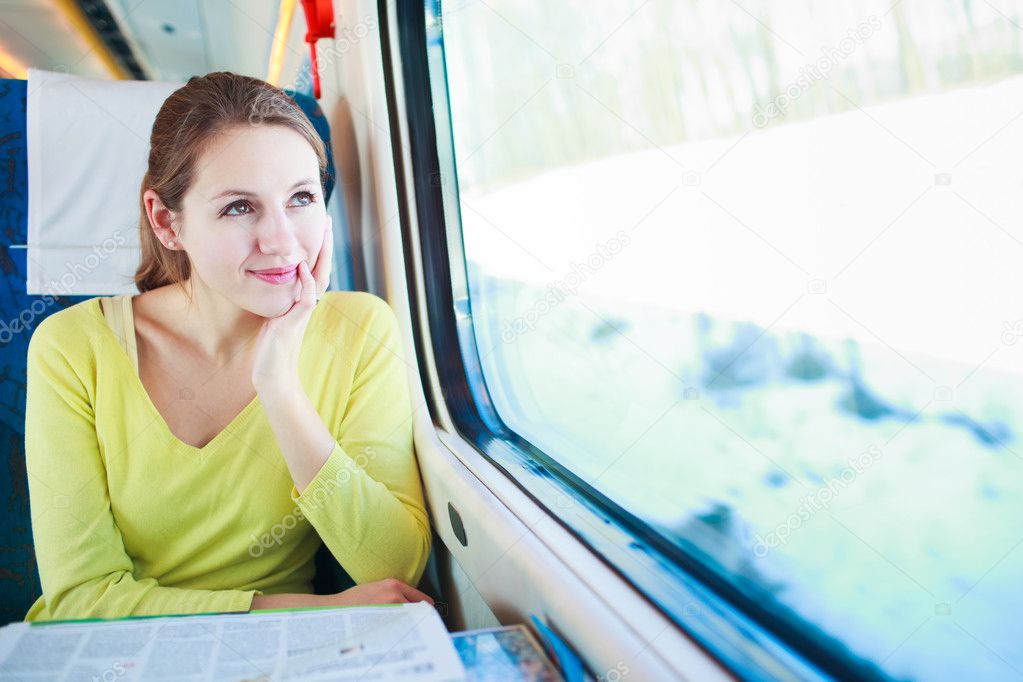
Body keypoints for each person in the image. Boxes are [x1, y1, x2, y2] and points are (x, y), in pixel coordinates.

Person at [23, 72, 432, 621]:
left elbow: (392, 567)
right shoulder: (73, 348)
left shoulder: (360, 329)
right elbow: (82, 600)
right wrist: (305, 611)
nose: (281, 240)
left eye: (301, 199)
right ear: (167, 222)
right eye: (240, 207)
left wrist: (279, 386)